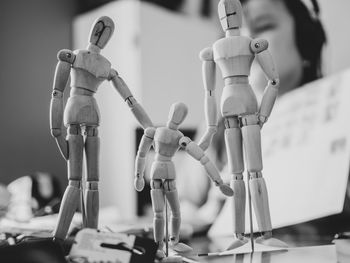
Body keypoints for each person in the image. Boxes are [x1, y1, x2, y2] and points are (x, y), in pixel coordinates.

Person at [179, 0, 333, 239]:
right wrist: (205, 214)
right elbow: (185, 201)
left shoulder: (339, 112)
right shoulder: (219, 127)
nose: (247, 40)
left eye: (263, 26)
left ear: (305, 39)